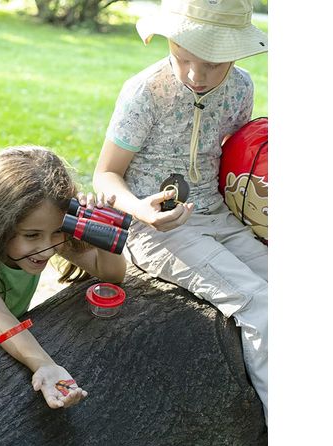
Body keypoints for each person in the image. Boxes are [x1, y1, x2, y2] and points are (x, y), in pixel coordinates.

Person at [91, 0, 269, 420]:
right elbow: (105, 175)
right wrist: (142, 211)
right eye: (183, 57)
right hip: (157, 230)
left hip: (218, 216)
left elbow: (227, 155)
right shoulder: (146, 92)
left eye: (212, 63)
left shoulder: (240, 88)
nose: (195, 75)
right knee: (260, 306)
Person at [0, 145, 127, 408]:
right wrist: (45, 365)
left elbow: (112, 276)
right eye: (31, 235)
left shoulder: (49, 234)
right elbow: (1, 319)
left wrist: (102, 232)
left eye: (58, 231)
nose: (47, 248)